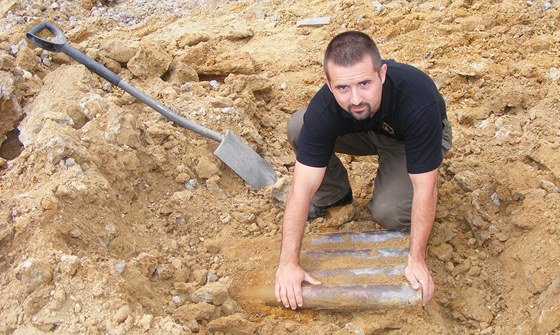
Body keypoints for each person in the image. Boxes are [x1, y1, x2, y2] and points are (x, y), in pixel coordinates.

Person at [274, 31, 453, 310]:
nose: (355, 98)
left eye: (365, 83)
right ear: (328, 84)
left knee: (389, 212)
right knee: (300, 125)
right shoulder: (326, 107)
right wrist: (288, 264)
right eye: (343, 88)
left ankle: (398, 175)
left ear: (382, 74)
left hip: (408, 140)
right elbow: (301, 188)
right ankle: (335, 197)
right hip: (366, 132)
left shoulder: (417, 100)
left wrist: (417, 259)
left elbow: (425, 188)